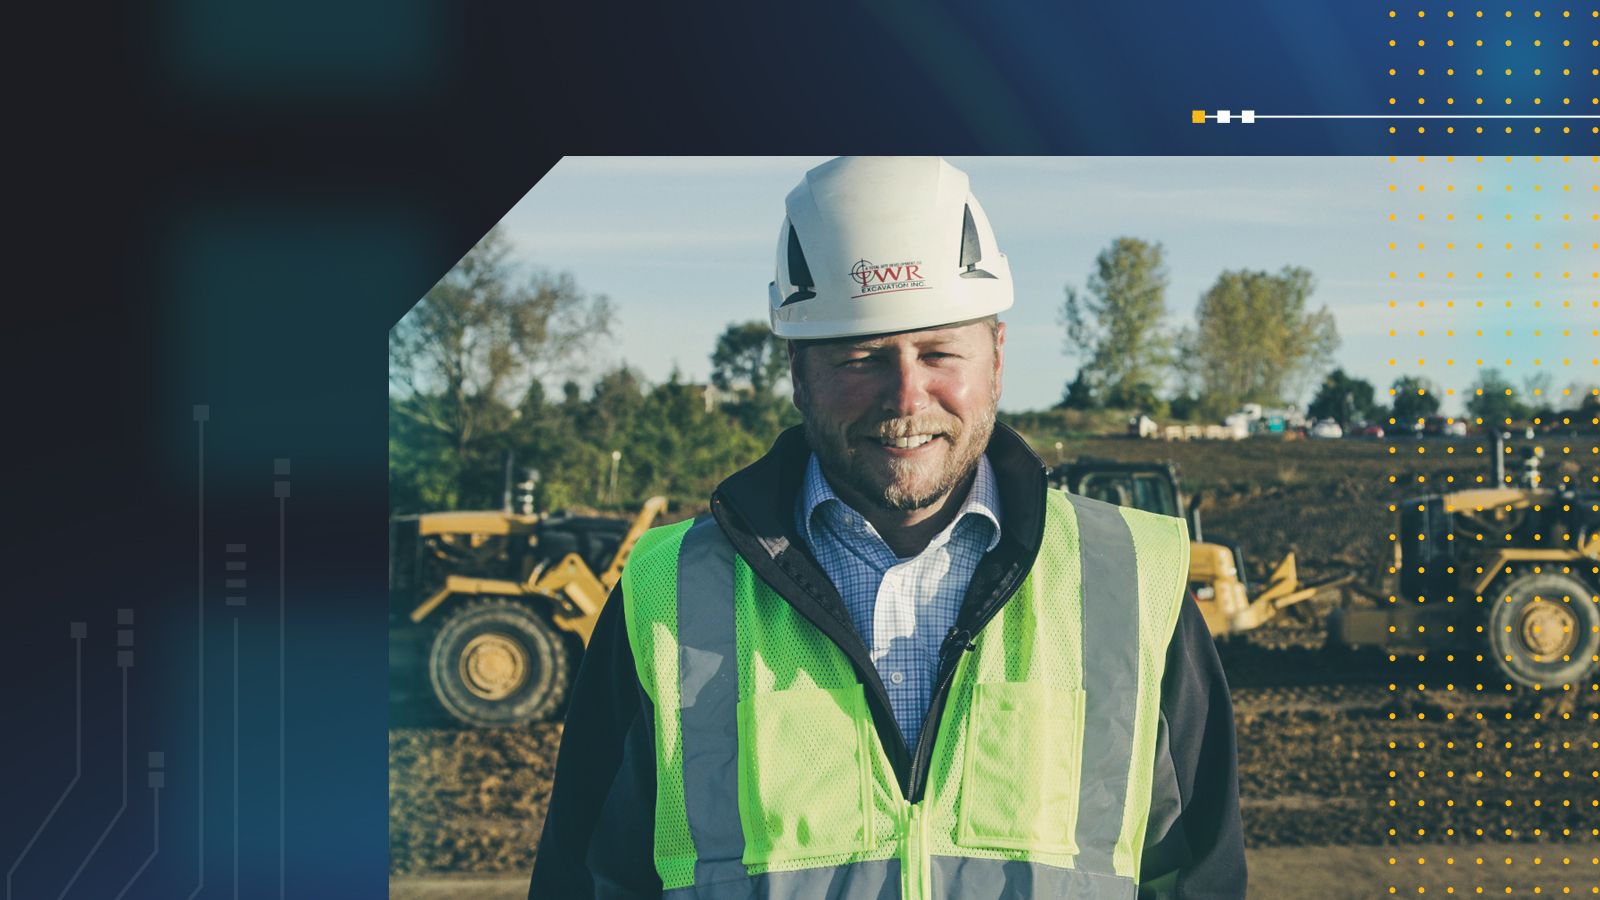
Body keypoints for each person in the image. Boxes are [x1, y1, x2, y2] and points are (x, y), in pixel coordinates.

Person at [529, 157, 1245, 899]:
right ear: (799, 374)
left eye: (940, 353)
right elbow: (588, 880)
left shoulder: (1128, 578)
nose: (907, 396)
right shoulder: (669, 594)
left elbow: (1196, 875)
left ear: (996, 359)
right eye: (862, 358)